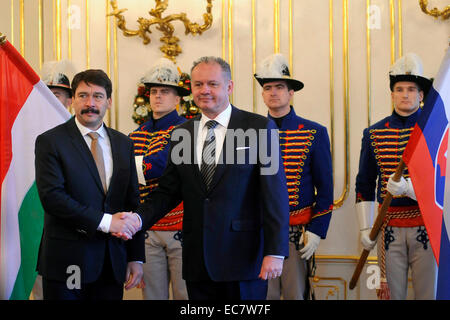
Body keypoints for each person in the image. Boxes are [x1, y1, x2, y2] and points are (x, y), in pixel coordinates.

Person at [131, 56, 290, 300]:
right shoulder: (182, 133)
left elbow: (275, 194)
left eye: (213, 84)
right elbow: (168, 192)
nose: (204, 90)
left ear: (229, 87)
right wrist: (136, 219)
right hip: (198, 262)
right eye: (198, 84)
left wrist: (275, 252)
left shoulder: (259, 128)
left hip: (244, 259)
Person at [34, 69, 144, 300]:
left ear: (109, 102)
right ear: (73, 100)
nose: (90, 103)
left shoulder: (124, 144)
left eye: (98, 96)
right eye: (83, 96)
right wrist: (107, 222)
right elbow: (53, 198)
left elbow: (131, 201)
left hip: (111, 263)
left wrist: (135, 257)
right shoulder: (50, 142)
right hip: (67, 263)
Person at [355, 53, 437, 300]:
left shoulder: (433, 131)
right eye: (399, 89)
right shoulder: (374, 133)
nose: (405, 94)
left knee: (427, 294)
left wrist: (410, 189)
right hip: (388, 227)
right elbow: (365, 182)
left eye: (411, 89)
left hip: (425, 225)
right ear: (392, 95)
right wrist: (366, 227)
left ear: (421, 95)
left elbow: (441, 181)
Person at [254, 53, 333, 300]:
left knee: (294, 295)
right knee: (259, 297)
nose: (273, 92)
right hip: (258, 232)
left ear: (291, 93)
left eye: (280, 87)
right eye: (268, 87)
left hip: (295, 231)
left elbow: (326, 188)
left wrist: (317, 229)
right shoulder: (249, 132)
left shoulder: (314, 132)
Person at [129, 58, 189, 300]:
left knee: (186, 296)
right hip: (146, 228)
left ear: (177, 99)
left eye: (165, 91)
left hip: (180, 226)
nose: (158, 96)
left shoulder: (187, 130)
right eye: (154, 91)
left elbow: (159, 166)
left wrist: (131, 168)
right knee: (152, 296)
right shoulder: (136, 134)